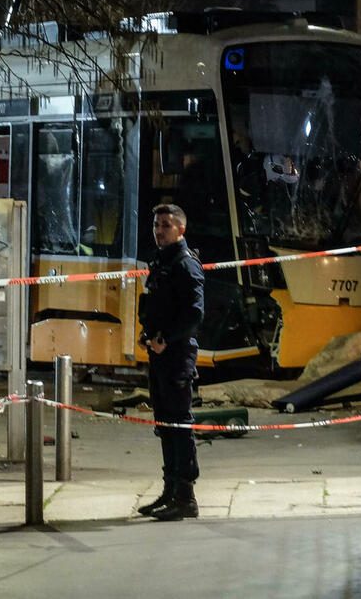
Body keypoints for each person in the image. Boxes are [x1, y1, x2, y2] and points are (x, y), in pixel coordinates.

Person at [136, 203, 205, 521]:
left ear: (181, 229)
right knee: (164, 424)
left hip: (177, 355)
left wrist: (167, 339)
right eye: (156, 224)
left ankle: (185, 497)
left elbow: (194, 313)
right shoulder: (161, 262)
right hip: (159, 353)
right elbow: (153, 304)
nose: (158, 230)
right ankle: (169, 489)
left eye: (165, 225)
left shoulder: (185, 264)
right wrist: (148, 334)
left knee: (179, 423)